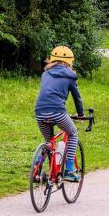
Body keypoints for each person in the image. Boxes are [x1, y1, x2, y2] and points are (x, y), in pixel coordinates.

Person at [34, 46, 85, 182]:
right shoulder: (71, 76)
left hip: (39, 111)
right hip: (57, 111)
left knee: (48, 141)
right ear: (69, 62)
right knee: (73, 133)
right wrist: (80, 114)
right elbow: (77, 98)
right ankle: (69, 169)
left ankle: (36, 169)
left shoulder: (45, 73)